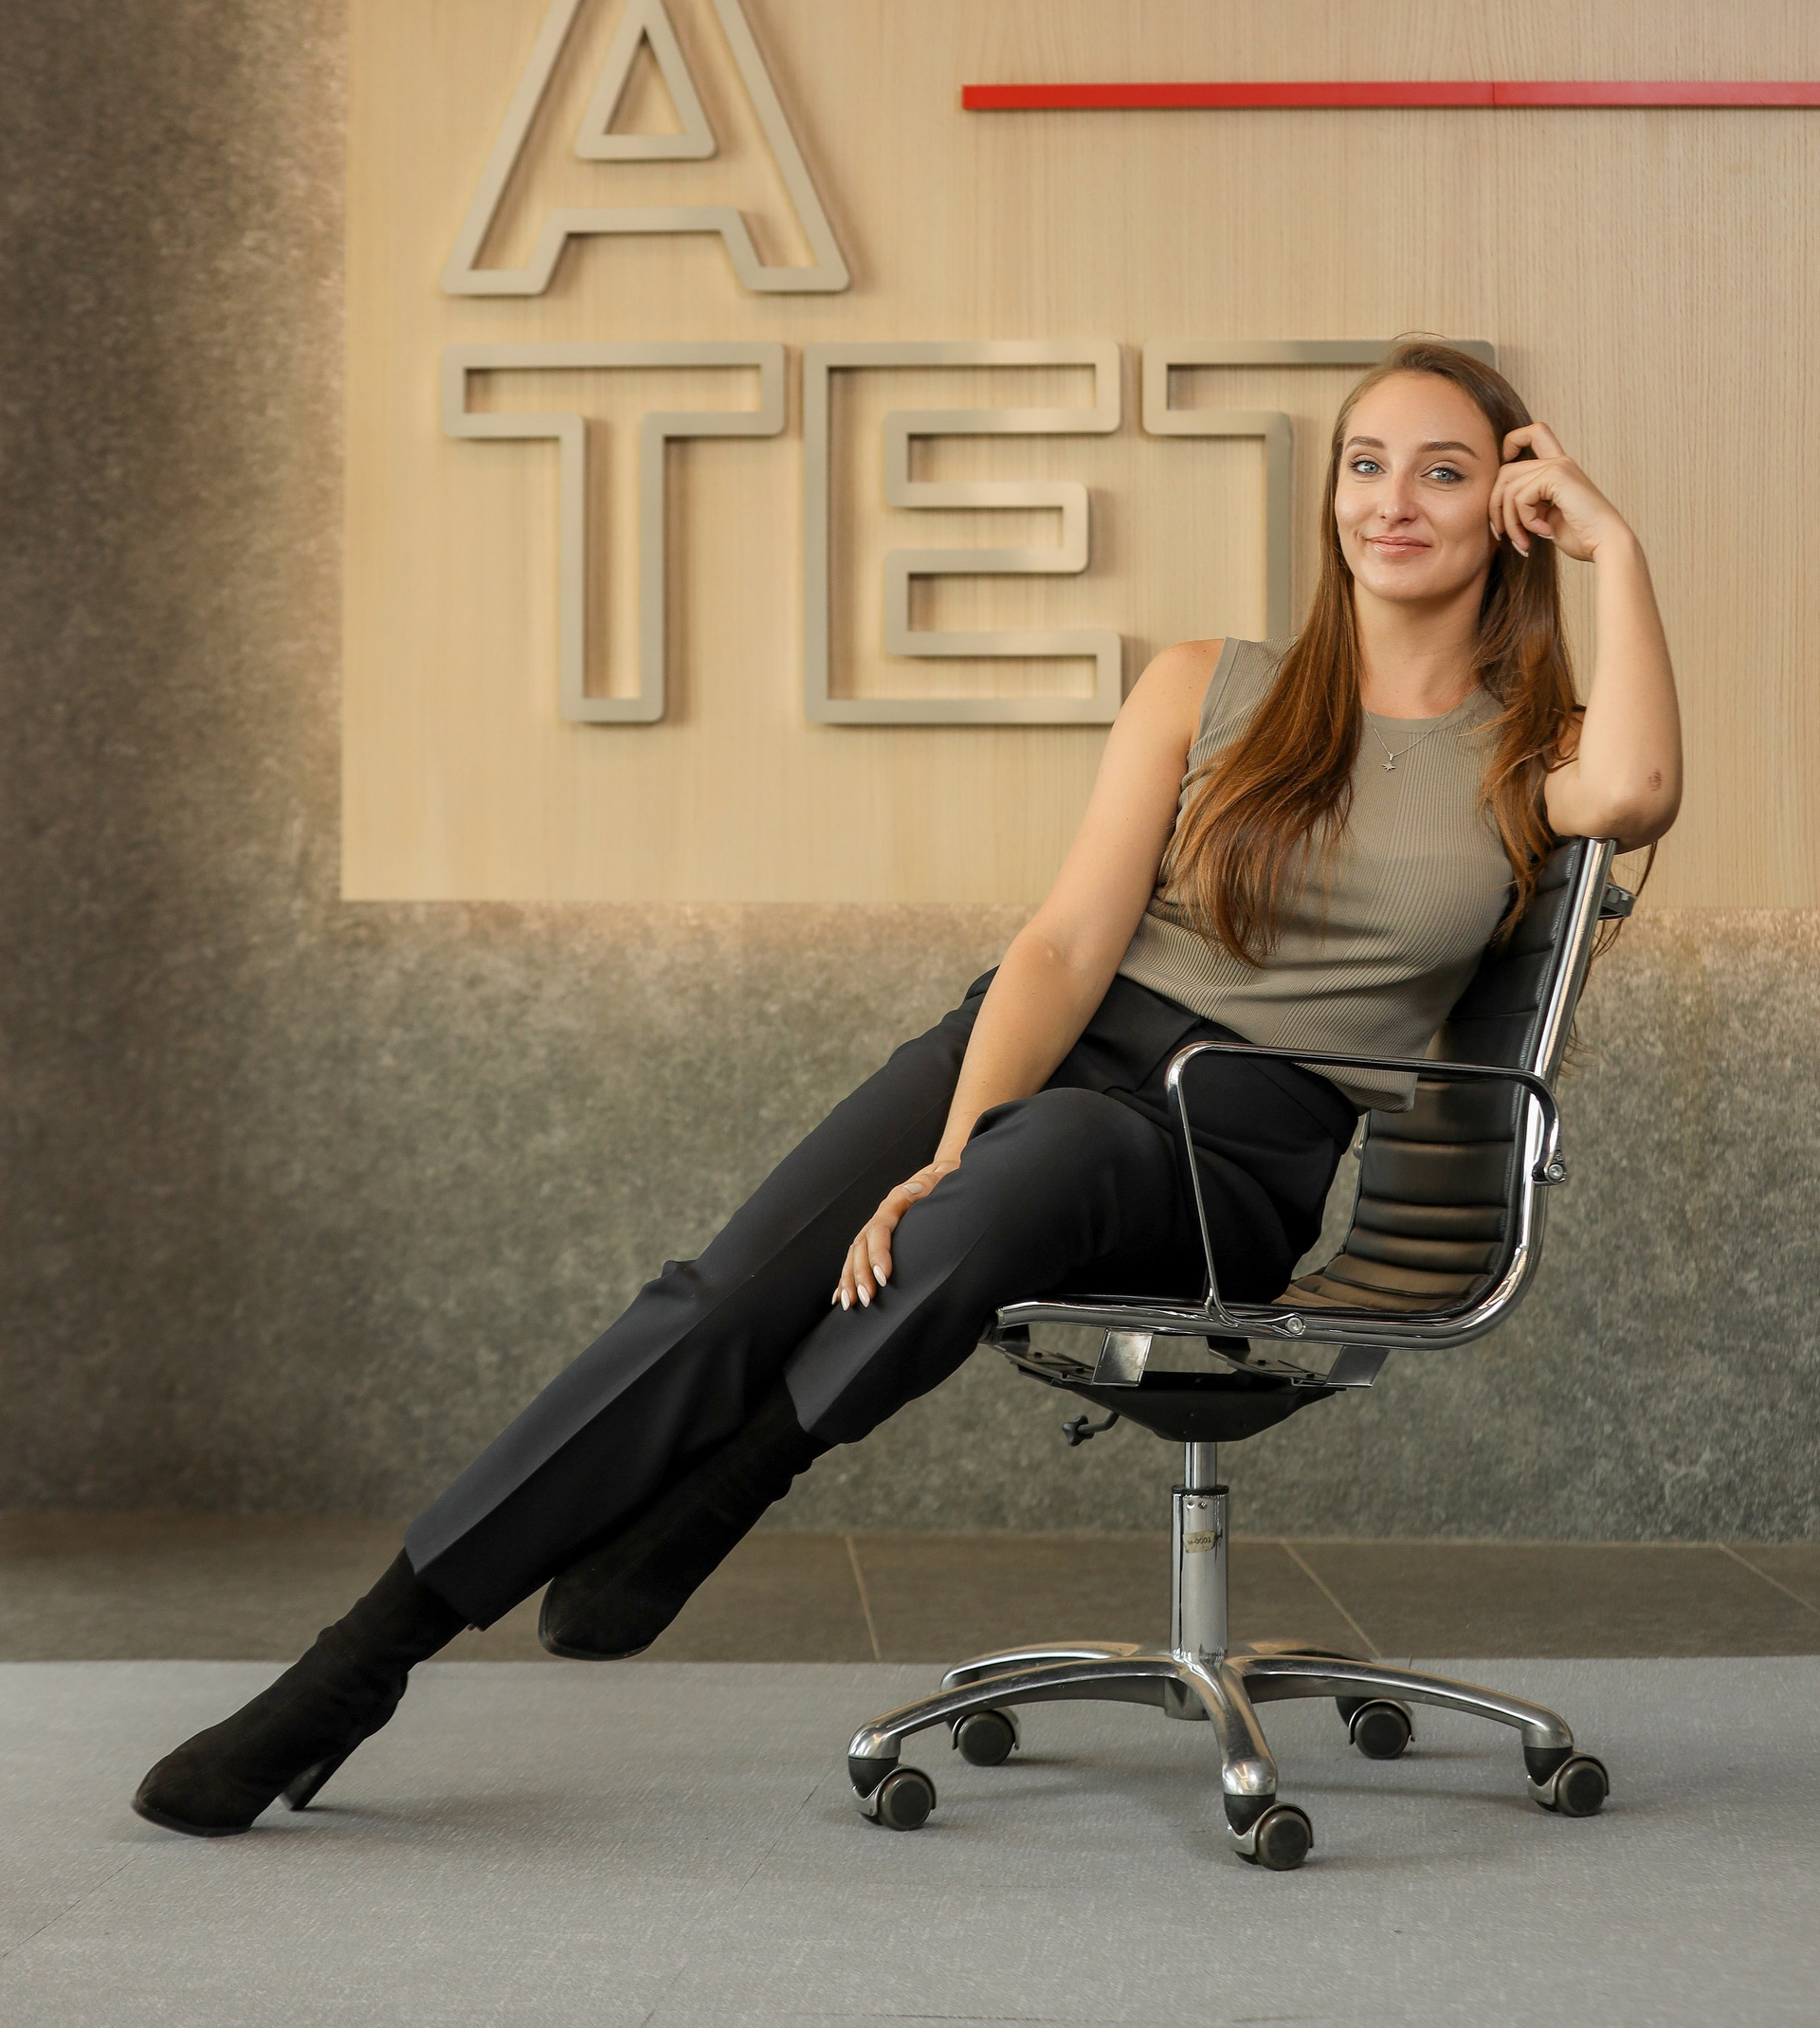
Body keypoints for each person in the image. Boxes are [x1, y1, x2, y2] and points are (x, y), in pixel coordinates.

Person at [133, 340, 1682, 1836]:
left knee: (1050, 1154)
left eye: (1443, 471)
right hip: (1045, 1054)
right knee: (721, 1298)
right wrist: (951, 1144)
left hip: (1233, 1157)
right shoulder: (1211, 684)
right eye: (1364, 464)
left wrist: (1613, 546)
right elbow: (1064, 944)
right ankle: (352, 1669)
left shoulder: (1530, 756)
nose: (1391, 501)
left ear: (1510, 509)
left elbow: (1641, 789)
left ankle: (735, 1483)